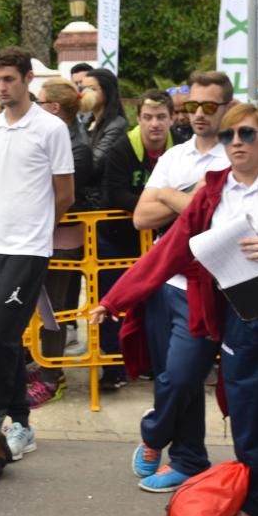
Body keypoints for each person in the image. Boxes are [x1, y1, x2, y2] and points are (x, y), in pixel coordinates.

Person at [91, 102, 258, 516]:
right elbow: (166, 253)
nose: (237, 144)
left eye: (246, 134)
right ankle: (255, 499)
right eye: (230, 138)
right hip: (237, 315)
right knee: (246, 413)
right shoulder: (213, 192)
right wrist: (115, 299)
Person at [117, 71, 232, 493]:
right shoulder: (176, 156)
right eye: (192, 106)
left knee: (181, 377)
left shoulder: (234, 155)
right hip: (167, 281)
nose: (198, 115)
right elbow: (141, 217)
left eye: (209, 107)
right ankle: (188, 458)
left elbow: (216, 220)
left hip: (212, 284)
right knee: (167, 374)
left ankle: (152, 434)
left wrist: (167, 196)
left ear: (225, 108)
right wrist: (179, 196)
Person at [0, 47, 74, 460]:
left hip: (29, 247)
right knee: (5, 336)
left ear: (27, 79)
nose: (2, 87)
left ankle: (14, 416)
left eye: (9, 79)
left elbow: (64, 194)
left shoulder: (51, 129)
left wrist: (37, 231)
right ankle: (8, 413)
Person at [26, 77, 96, 407]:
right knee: (40, 309)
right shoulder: (57, 138)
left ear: (53, 108)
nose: (34, 108)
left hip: (63, 240)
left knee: (55, 311)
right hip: (42, 237)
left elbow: (59, 194)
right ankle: (42, 366)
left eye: (38, 102)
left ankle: (53, 378)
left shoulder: (76, 146)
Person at [98, 89, 176, 385]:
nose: (154, 123)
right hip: (116, 237)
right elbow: (115, 194)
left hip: (164, 241)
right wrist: (166, 204)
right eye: (148, 117)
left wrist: (156, 208)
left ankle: (155, 362)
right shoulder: (120, 149)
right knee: (112, 301)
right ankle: (113, 366)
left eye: (160, 117)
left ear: (170, 119)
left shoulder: (180, 148)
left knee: (159, 304)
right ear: (138, 119)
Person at [79, 68, 128, 177]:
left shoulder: (116, 124)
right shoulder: (86, 120)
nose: (85, 94)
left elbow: (95, 163)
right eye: (83, 89)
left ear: (107, 90)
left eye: (92, 89)